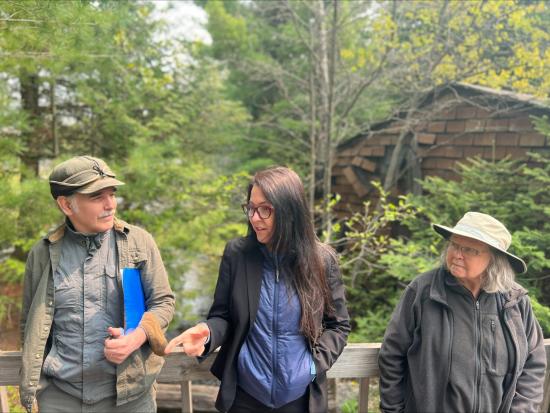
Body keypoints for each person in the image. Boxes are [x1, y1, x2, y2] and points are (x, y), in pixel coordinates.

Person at [165, 166, 350, 413]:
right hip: (245, 396)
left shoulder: (322, 261)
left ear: (289, 212)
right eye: (251, 208)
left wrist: (312, 366)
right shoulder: (237, 255)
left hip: (299, 400)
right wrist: (208, 332)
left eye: (265, 210)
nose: (254, 217)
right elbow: (223, 316)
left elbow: (338, 325)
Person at [19, 155, 175, 413]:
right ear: (66, 205)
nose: (110, 204)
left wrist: (135, 338)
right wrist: (38, 388)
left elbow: (163, 303)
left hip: (130, 398)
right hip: (60, 399)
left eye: (112, 194)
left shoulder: (138, 243)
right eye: (97, 196)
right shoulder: (43, 254)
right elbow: (30, 323)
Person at [379, 211, 547, 413]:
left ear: (494, 259)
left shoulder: (515, 301)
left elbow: (534, 364)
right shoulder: (424, 292)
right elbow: (392, 356)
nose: (457, 254)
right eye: (454, 245)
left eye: (470, 250)